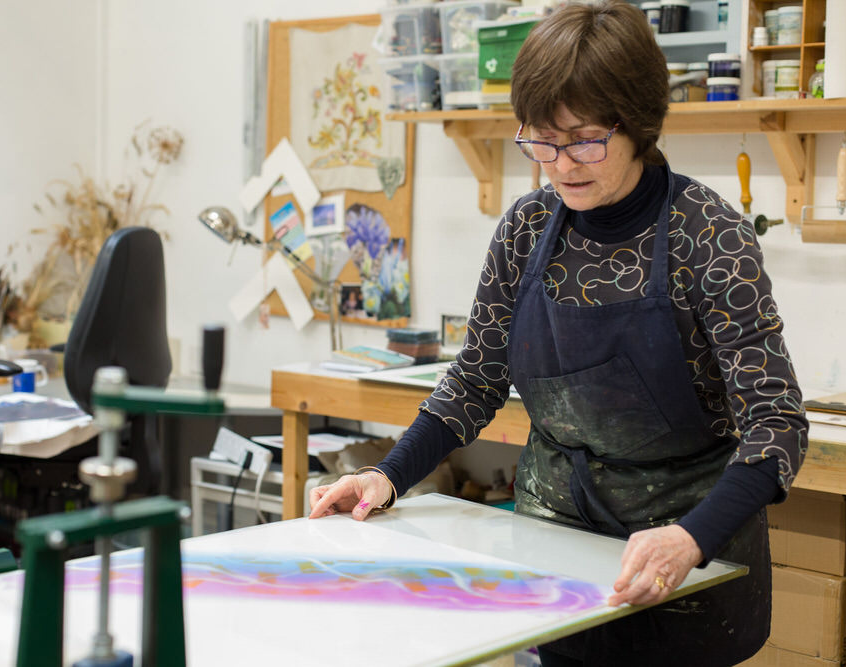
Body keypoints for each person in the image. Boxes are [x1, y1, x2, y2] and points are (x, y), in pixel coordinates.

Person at [309, 3, 807, 665]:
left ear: (638, 125)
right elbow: (475, 381)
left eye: (583, 140)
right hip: (554, 554)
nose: (560, 164)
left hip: (686, 564)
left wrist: (690, 539)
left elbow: (777, 426)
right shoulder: (525, 230)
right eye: (541, 141)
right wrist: (388, 475)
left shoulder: (708, 235)